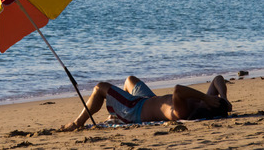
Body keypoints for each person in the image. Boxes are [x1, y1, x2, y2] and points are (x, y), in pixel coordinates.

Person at [61, 75, 232, 131]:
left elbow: (178, 89)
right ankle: (115, 114)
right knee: (130, 80)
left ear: (208, 106)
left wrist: (206, 97)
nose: (212, 97)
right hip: (147, 99)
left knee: (100, 88)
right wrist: (223, 97)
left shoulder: (184, 111)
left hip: (134, 109)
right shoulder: (204, 102)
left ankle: (78, 123)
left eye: (213, 100)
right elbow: (218, 79)